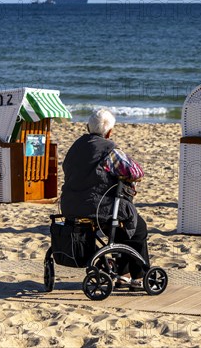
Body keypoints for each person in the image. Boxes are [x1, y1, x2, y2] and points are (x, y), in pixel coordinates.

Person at [60, 108, 149, 291]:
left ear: (87, 127)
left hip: (72, 207)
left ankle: (123, 275)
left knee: (122, 229)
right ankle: (139, 277)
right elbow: (136, 172)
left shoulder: (75, 148)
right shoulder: (109, 151)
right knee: (138, 229)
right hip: (100, 209)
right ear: (109, 132)